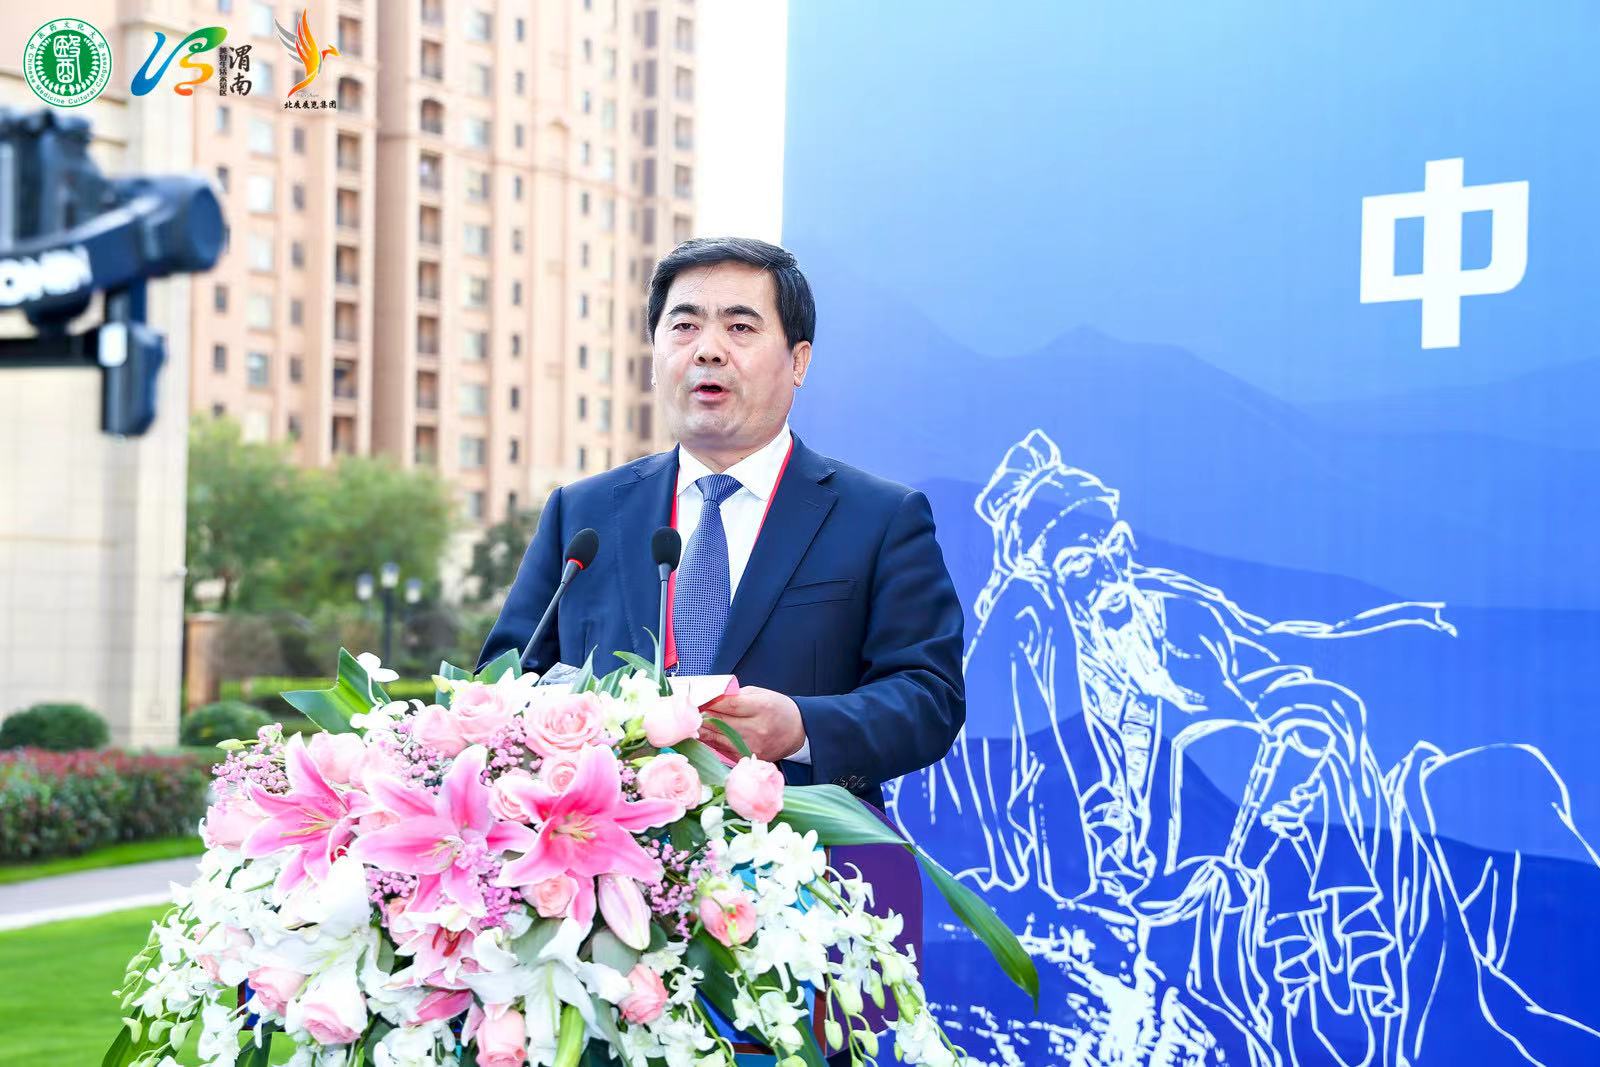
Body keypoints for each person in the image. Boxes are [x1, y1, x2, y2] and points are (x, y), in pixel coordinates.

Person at [477, 236, 965, 815]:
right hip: (607, 852)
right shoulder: (582, 514)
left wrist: (801, 727)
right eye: (684, 327)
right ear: (655, 356)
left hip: (803, 854)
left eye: (740, 327)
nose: (708, 350)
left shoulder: (879, 517)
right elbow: (504, 684)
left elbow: (928, 698)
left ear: (799, 361)